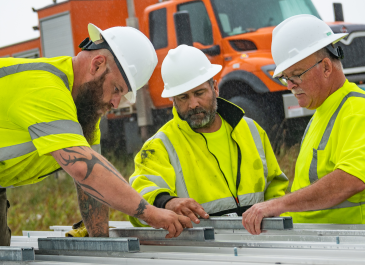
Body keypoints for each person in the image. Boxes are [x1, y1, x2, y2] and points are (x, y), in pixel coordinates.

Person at [0, 23, 192, 246]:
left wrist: (100, 245)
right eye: (117, 89)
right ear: (98, 64)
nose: (115, 102)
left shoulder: (85, 115)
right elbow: (83, 168)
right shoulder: (43, 87)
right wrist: (149, 213)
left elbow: (93, 183)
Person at [129, 45, 288, 226]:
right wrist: (167, 202)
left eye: (199, 93)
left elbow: (275, 186)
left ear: (215, 88)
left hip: (259, 242)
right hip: (201, 250)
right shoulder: (159, 146)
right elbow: (138, 198)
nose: (193, 104)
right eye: (183, 97)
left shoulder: (250, 130)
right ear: (172, 100)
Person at [242, 14, 365, 235]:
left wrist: (278, 204)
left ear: (326, 67)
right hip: (323, 244)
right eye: (285, 78)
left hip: (349, 246)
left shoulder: (358, 111)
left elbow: (352, 179)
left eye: (296, 75)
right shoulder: (322, 112)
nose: (290, 85)